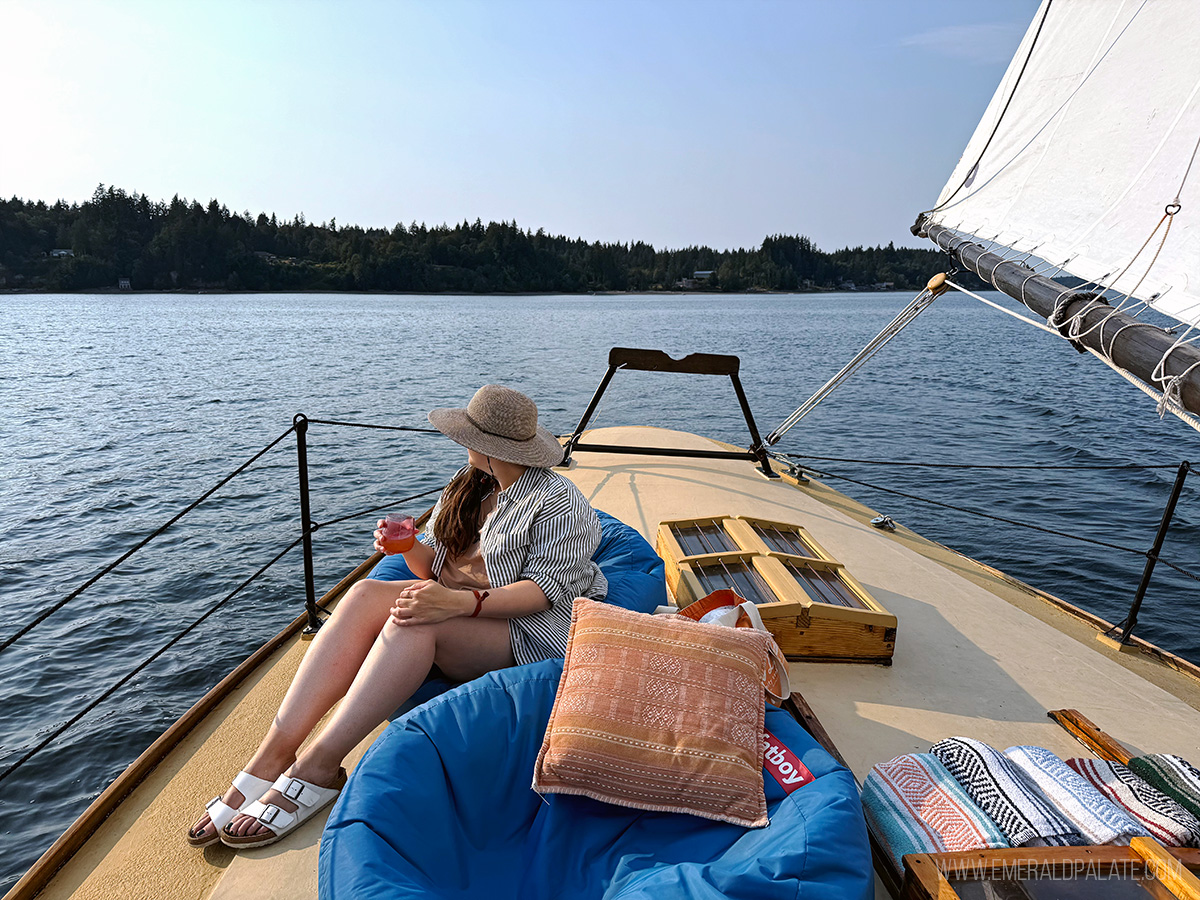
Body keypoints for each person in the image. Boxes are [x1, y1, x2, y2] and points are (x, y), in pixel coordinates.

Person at [187, 384, 607, 849]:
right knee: (367, 591)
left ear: (487, 446)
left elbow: (544, 592)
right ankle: (273, 754)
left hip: (528, 628)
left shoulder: (558, 502)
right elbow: (440, 570)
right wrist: (407, 548)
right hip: (462, 605)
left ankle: (319, 765)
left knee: (418, 619)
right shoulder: (470, 485)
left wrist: (458, 604)